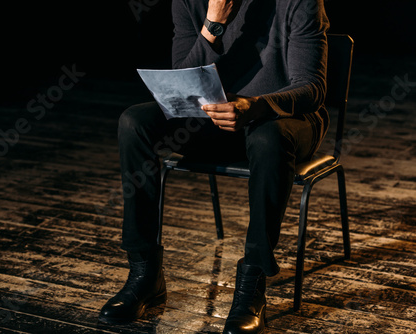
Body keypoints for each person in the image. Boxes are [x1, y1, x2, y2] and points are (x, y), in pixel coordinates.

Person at [99, 0, 330, 333]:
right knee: (134, 122)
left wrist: (257, 106)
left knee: (267, 140)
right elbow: (182, 84)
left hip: (283, 119)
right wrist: (213, 26)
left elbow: (312, 88)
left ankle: (252, 284)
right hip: (215, 118)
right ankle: (144, 275)